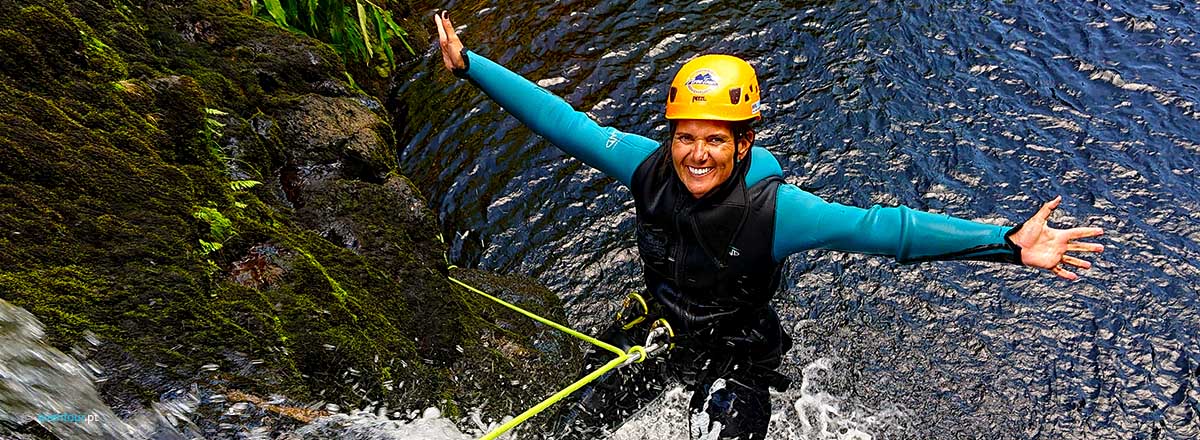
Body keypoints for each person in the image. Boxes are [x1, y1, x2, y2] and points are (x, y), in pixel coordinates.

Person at [433, 11, 1104, 440]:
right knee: (575, 427)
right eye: (686, 137)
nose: (698, 154)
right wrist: (471, 68)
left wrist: (1006, 245)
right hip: (658, 327)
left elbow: (887, 230)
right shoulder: (646, 167)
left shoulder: (778, 212)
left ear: (746, 141)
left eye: (716, 140)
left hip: (736, 353)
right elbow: (562, 122)